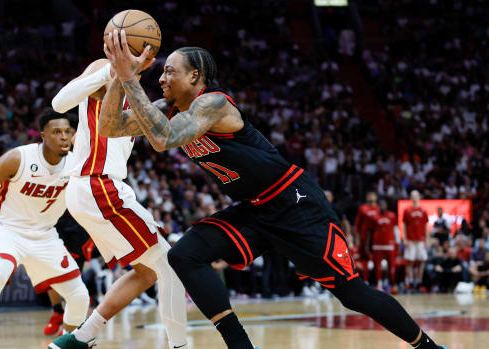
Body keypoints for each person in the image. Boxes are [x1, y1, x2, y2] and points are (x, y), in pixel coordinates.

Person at [94, 29, 447, 349]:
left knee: (351, 293)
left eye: (171, 70)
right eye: (162, 70)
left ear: (195, 76)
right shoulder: (165, 109)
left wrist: (129, 78)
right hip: (254, 209)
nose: (163, 76)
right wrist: (119, 75)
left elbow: (163, 138)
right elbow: (109, 127)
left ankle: (428, 348)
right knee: (184, 255)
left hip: (295, 203)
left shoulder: (214, 103)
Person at [49, 51, 188, 349]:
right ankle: (180, 346)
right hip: (97, 186)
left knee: (147, 271)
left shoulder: (134, 91)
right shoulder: (103, 70)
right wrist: (109, 69)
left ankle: (79, 338)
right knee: (169, 264)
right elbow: (58, 104)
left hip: (98, 190)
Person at [0, 110, 90, 349]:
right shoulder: (19, 158)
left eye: (68, 132)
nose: (64, 137)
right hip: (6, 229)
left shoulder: (76, 165)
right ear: (43, 136)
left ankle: (66, 343)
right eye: (57, 132)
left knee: (79, 295)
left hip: (45, 234)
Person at [44, 212, 98, 336]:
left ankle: (70, 322)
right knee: (49, 269)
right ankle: (57, 311)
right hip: (54, 217)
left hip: (80, 220)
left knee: (74, 275)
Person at [368, 199, 399, 293]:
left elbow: (396, 229)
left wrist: (397, 243)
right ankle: (378, 285)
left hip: (389, 245)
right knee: (377, 266)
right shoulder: (373, 216)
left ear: (386, 205)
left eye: (384, 204)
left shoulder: (392, 215)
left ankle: (392, 285)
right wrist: (368, 245)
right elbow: (370, 232)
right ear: (378, 206)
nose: (382, 206)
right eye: (380, 204)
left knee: (392, 266)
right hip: (377, 245)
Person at [402, 190, 429, 291]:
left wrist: (427, 239)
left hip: (421, 240)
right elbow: (404, 225)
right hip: (410, 240)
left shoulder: (423, 211)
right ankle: (410, 282)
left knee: (421, 262)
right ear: (410, 197)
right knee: (410, 262)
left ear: (419, 197)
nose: (414, 197)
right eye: (412, 196)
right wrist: (404, 238)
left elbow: (426, 226)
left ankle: (419, 282)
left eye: (416, 196)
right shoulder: (407, 210)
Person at [354, 191, 379, 281]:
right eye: (369, 195)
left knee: (376, 260)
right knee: (364, 260)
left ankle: (376, 281)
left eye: (373, 195)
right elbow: (357, 225)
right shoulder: (362, 208)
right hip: (364, 239)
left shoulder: (379, 208)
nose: (371, 196)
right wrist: (357, 240)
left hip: (376, 239)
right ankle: (365, 280)